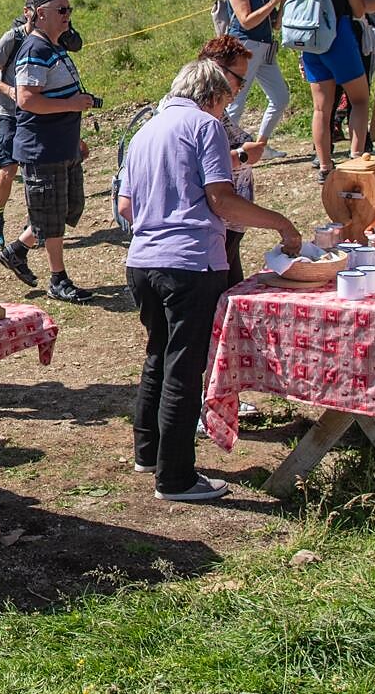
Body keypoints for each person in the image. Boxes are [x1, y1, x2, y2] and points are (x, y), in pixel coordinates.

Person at [117, 61, 301, 504]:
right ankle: (176, 477)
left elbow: (125, 207)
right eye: (226, 104)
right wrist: (281, 224)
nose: (225, 113)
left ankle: (150, 452)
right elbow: (222, 201)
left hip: (143, 263)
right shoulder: (205, 127)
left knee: (158, 355)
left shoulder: (145, 132)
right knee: (184, 365)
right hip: (191, 264)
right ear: (215, 97)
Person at [0, 0, 95, 304]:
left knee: (64, 208)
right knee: (52, 213)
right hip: (43, 147)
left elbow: (58, 96)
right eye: (62, 10)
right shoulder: (34, 49)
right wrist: (75, 104)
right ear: (41, 14)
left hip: (62, 144)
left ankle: (16, 250)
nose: (68, 16)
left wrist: (75, 133)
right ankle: (58, 279)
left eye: (69, 10)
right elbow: (26, 100)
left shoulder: (54, 47)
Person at [295, 0, 375, 181]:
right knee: (360, 100)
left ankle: (324, 166)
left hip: (311, 44)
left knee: (321, 108)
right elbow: (360, 10)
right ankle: (356, 159)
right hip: (338, 39)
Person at [197, 36, 269, 290]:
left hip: (229, 225)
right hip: (215, 226)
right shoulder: (196, 113)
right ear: (217, 70)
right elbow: (197, 164)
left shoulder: (217, 110)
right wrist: (243, 156)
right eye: (238, 78)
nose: (241, 86)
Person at [0, 0, 45, 248]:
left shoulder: (47, 40)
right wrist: (9, 91)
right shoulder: (12, 37)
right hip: (10, 113)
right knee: (8, 168)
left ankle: (34, 223)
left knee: (37, 168)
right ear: (28, 10)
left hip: (36, 112)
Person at [222, 0, 290, 154]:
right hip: (245, 47)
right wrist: (272, 3)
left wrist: (281, 3)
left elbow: (275, 24)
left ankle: (260, 145)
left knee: (280, 97)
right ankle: (221, 148)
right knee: (236, 101)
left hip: (265, 47)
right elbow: (246, 21)